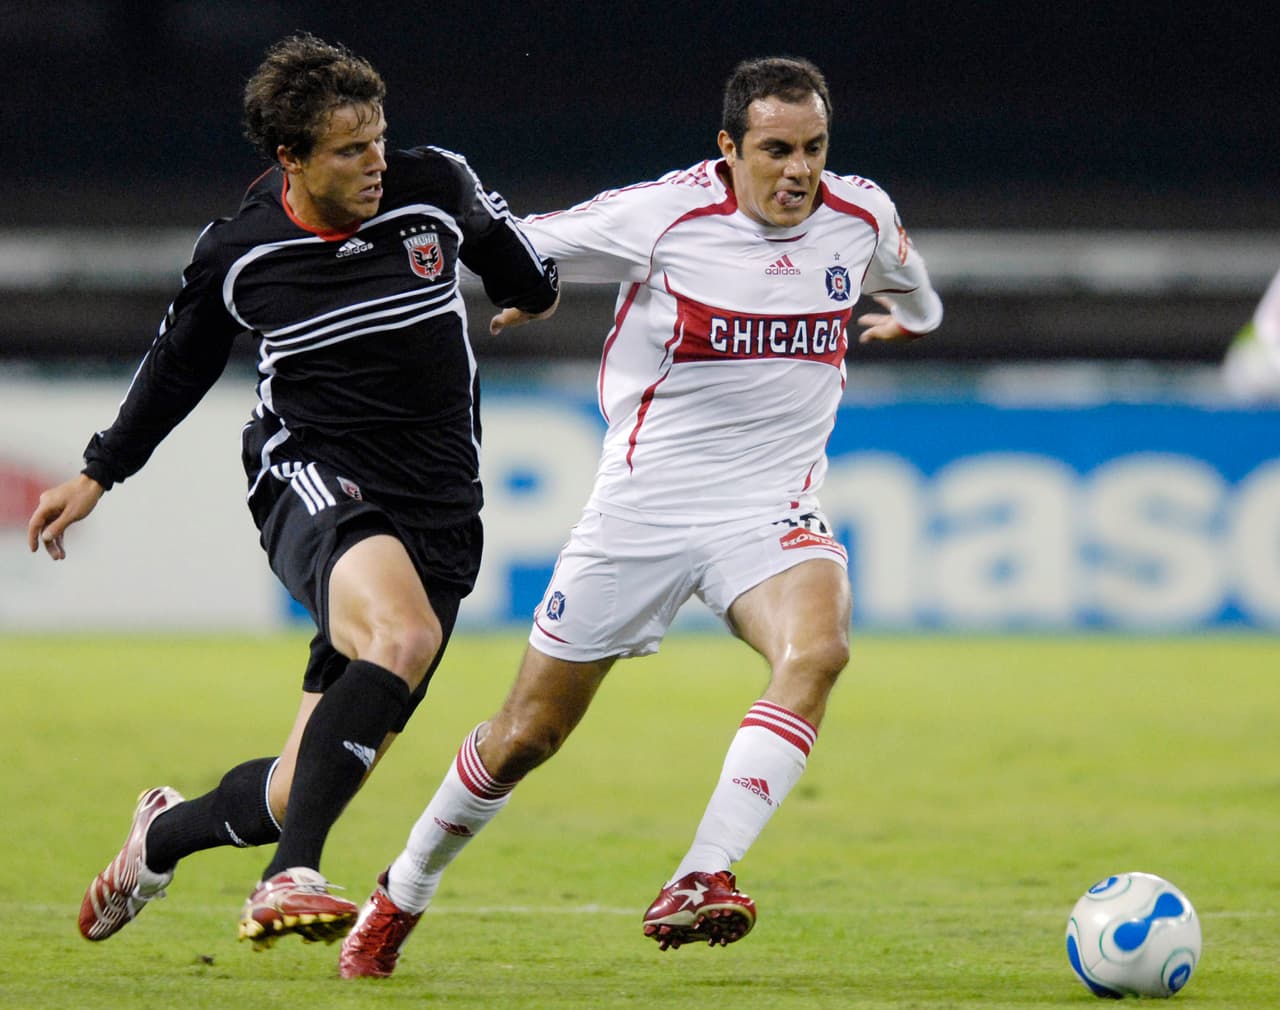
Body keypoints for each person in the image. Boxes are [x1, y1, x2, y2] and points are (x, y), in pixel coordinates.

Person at [337, 55, 943, 978]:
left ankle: (704, 873)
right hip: (643, 512)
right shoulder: (663, 217)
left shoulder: (858, 217)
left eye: (814, 149)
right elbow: (519, 239)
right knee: (524, 738)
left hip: (771, 509)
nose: (797, 171)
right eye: (775, 149)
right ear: (728, 149)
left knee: (818, 650)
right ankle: (402, 890)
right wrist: (522, 285)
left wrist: (916, 318)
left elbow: (909, 277)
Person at [26, 33, 558, 951]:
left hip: (439, 505)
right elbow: (176, 367)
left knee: (298, 782)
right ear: (292, 158)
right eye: (350, 151)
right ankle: (288, 879)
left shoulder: (435, 184)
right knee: (402, 635)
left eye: (379, 139)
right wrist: (100, 469)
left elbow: (517, 267)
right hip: (308, 470)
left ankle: (161, 836)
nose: (375, 164)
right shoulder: (241, 251)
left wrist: (533, 293)